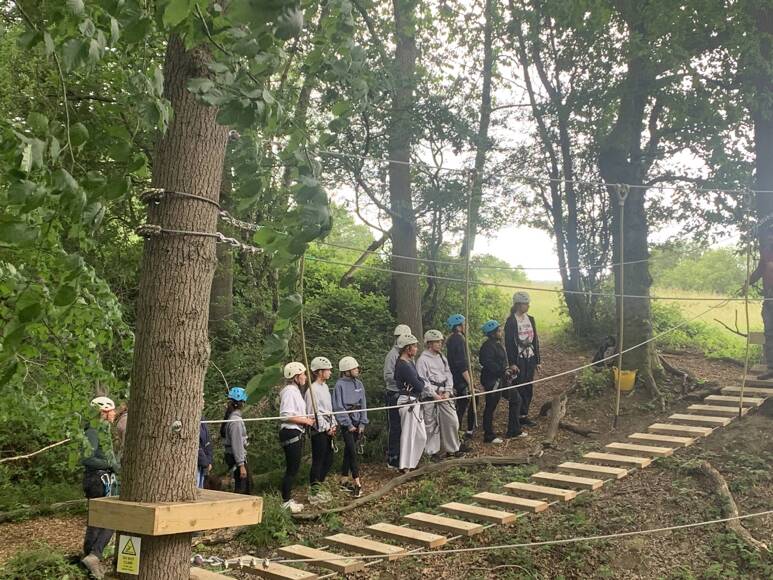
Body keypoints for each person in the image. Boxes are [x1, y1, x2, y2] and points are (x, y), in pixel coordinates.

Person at [81, 396, 119, 580]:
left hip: (99, 479)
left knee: (97, 520)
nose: (114, 414)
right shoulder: (93, 431)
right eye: (111, 411)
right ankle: (95, 554)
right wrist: (110, 465)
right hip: (97, 480)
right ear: (103, 412)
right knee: (111, 518)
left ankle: (89, 558)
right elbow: (87, 458)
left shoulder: (101, 430)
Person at [417, 329, 463, 460]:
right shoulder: (422, 360)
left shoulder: (442, 357)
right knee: (431, 424)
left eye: (440, 342)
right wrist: (433, 394)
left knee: (452, 421)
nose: (439, 344)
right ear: (429, 343)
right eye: (436, 342)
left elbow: (448, 374)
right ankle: (432, 452)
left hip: (444, 394)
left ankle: (452, 449)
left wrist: (448, 391)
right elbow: (422, 380)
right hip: (431, 396)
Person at [480, 320, 527, 443]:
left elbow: (502, 361)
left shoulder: (498, 344)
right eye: (499, 331)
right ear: (493, 333)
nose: (501, 332)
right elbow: (487, 363)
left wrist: (509, 368)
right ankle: (488, 435)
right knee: (490, 406)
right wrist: (502, 371)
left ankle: (514, 430)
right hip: (492, 381)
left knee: (516, 399)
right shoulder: (487, 347)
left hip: (502, 380)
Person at [279, 361, 315, 513]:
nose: (305, 377)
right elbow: (285, 415)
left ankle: (287, 499)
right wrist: (305, 421)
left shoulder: (295, 391)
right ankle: (285, 501)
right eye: (303, 374)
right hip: (290, 431)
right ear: (295, 377)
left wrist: (306, 419)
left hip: (296, 431)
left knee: (294, 467)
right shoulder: (289, 392)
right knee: (292, 469)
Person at [333, 356, 369, 498]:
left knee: (349, 451)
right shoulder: (339, 385)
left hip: (358, 421)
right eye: (354, 368)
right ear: (346, 370)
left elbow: (363, 404)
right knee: (353, 452)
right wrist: (348, 424)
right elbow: (338, 407)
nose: (357, 370)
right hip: (347, 423)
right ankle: (357, 483)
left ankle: (343, 479)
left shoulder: (359, 384)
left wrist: (362, 423)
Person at [504, 291, 541, 427]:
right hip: (518, 359)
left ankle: (524, 415)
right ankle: (516, 417)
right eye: (526, 303)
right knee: (519, 386)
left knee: (528, 386)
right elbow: (509, 344)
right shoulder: (511, 321)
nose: (528, 306)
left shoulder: (530, 319)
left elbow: (535, 340)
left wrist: (538, 360)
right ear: (518, 304)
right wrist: (512, 363)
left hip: (530, 357)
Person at [393, 333, 428, 471]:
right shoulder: (403, 365)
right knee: (408, 435)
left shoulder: (409, 363)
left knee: (421, 436)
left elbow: (420, 381)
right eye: (414, 346)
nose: (416, 348)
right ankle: (405, 466)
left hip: (414, 401)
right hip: (407, 402)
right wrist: (420, 383)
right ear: (407, 348)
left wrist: (420, 383)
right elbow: (419, 385)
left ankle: (412, 463)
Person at [306, 356, 337, 505]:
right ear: (319, 372)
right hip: (318, 429)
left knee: (329, 459)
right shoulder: (312, 390)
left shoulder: (324, 387)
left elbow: (329, 409)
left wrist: (333, 424)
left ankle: (320, 485)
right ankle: (314, 492)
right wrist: (325, 427)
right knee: (318, 460)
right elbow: (313, 412)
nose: (330, 372)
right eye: (327, 370)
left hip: (328, 426)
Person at [383, 323, 411, 469]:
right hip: (394, 393)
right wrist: (401, 380)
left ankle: (405, 455)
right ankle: (393, 457)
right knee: (395, 426)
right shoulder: (392, 355)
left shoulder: (407, 355)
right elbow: (387, 375)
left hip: (406, 394)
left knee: (406, 426)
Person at [746, 229, 773, 379]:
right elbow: (760, 270)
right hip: (769, 297)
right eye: (769, 238)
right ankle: (771, 367)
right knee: (769, 332)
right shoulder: (767, 252)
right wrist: (747, 283)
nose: (770, 239)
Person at [446, 314, 476, 438]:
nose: (467, 326)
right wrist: (469, 383)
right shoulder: (458, 339)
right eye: (464, 324)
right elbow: (461, 363)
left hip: (457, 377)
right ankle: (459, 433)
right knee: (462, 405)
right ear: (458, 327)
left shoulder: (453, 339)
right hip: (460, 378)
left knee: (463, 404)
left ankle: (463, 431)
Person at [221, 386, 250, 494]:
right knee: (242, 489)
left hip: (234, 457)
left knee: (244, 486)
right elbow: (237, 444)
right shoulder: (236, 421)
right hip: (236, 458)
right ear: (241, 403)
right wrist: (241, 465)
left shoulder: (231, 418)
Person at [197, 421, 213, 488]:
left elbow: (208, 443)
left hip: (203, 464)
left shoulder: (203, 421)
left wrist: (209, 461)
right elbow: (197, 446)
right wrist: (205, 462)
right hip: (195, 464)